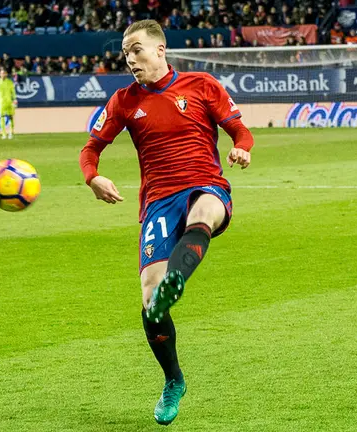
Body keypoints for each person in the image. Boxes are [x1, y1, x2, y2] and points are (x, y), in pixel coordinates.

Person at [78, 19, 253, 426]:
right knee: (150, 301)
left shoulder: (203, 85)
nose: (130, 59)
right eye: (125, 53)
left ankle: (179, 276)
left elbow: (240, 131)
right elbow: (91, 148)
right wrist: (93, 177)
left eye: (136, 49)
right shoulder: (124, 100)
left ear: (160, 49)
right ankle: (173, 379)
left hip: (205, 184)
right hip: (157, 202)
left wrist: (242, 150)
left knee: (205, 211)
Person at [0, 68, 17, 139]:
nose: (3, 75)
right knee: (2, 117)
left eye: (4, 73)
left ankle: (11, 133)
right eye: (1, 73)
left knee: (10, 117)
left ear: (6, 74)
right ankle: (4, 134)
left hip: (9, 102)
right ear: (0, 74)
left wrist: (15, 99)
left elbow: (13, 92)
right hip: (1, 102)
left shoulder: (10, 82)